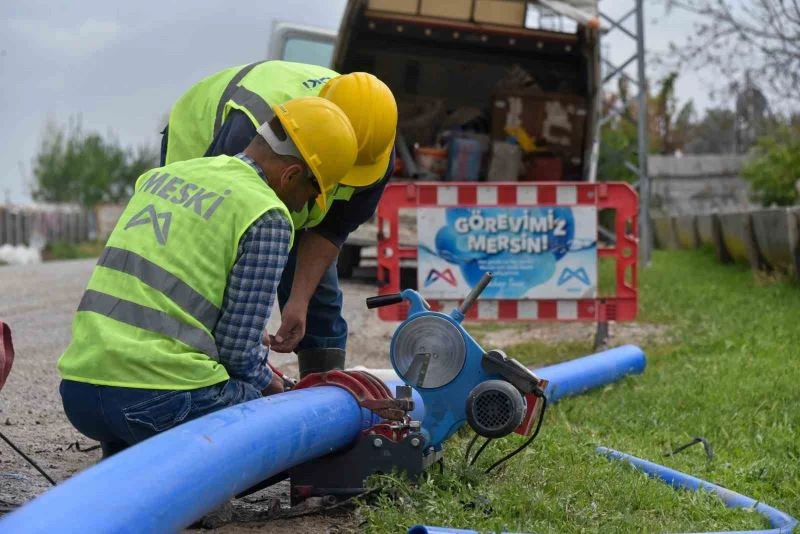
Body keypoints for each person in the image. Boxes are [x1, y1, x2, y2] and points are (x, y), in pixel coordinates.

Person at [57, 96, 358, 457]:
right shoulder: (267, 214)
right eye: (312, 192)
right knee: (278, 414)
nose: (305, 206)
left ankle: (131, 456)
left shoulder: (161, 178)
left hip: (80, 393)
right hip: (156, 401)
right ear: (292, 174)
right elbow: (237, 356)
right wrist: (283, 390)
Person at [162, 60, 398, 378]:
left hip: (292, 169)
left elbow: (331, 229)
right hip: (206, 146)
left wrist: (298, 301)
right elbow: (218, 238)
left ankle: (324, 394)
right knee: (202, 289)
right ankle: (199, 380)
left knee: (319, 299)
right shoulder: (257, 130)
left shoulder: (375, 149)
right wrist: (243, 322)